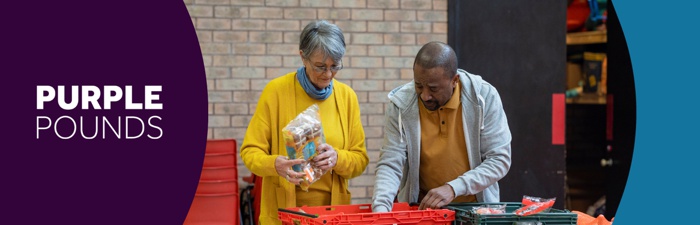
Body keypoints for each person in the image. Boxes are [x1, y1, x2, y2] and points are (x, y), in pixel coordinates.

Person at [240, 20, 369, 224]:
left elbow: (360, 160)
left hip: (333, 215)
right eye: (320, 66)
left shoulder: (347, 97)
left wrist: (337, 158)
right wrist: (275, 165)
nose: (328, 74)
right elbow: (249, 152)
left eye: (335, 66)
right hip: (282, 214)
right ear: (303, 57)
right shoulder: (275, 92)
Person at [372, 41, 512, 212]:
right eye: (418, 85)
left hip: (475, 211)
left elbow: (499, 160)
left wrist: (453, 188)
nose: (424, 95)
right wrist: (380, 211)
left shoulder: (484, 97)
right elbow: (390, 163)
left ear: (454, 81)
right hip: (424, 212)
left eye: (433, 89)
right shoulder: (401, 104)